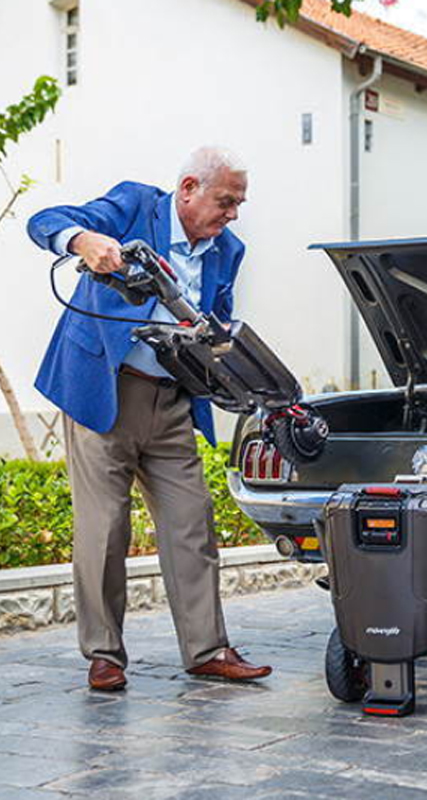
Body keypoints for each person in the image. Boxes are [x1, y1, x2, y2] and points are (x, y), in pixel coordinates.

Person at [28, 147, 272, 691]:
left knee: (192, 521)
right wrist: (83, 240)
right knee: (105, 529)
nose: (233, 214)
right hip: (104, 392)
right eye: (225, 201)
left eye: (238, 203)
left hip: (171, 401)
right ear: (188, 189)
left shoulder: (227, 249)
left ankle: (207, 649)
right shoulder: (135, 206)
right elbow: (44, 220)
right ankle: (104, 655)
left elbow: (218, 322)